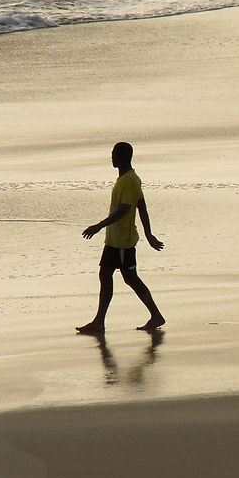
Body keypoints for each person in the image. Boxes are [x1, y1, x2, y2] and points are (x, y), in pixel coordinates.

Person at [77, 142, 165, 334]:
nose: (112, 158)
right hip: (116, 240)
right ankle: (100, 321)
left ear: (122, 157)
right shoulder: (129, 179)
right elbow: (141, 206)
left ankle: (102, 322)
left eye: (114, 154)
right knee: (109, 275)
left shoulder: (129, 181)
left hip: (122, 242)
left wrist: (99, 225)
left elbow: (125, 209)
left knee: (128, 278)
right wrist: (149, 234)